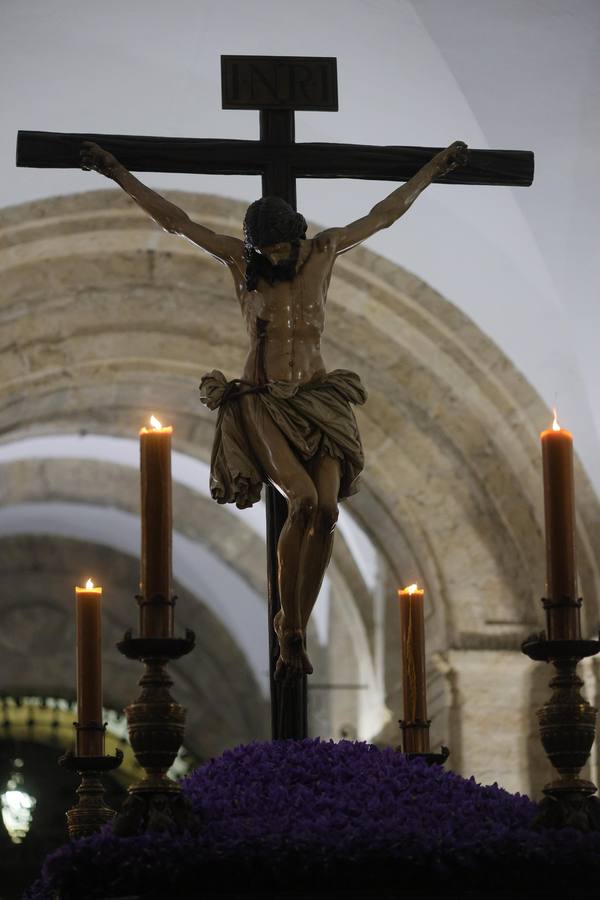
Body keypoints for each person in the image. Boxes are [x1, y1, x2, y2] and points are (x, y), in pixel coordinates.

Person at [80, 139, 468, 677]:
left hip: (319, 398)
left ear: (296, 236)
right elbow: (176, 220)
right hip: (262, 400)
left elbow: (384, 215)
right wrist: (118, 173)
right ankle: (289, 628)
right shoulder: (243, 263)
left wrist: (432, 170)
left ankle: (296, 622)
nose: (274, 258)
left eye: (280, 248)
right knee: (304, 502)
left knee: (330, 511)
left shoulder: (325, 251)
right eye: (265, 251)